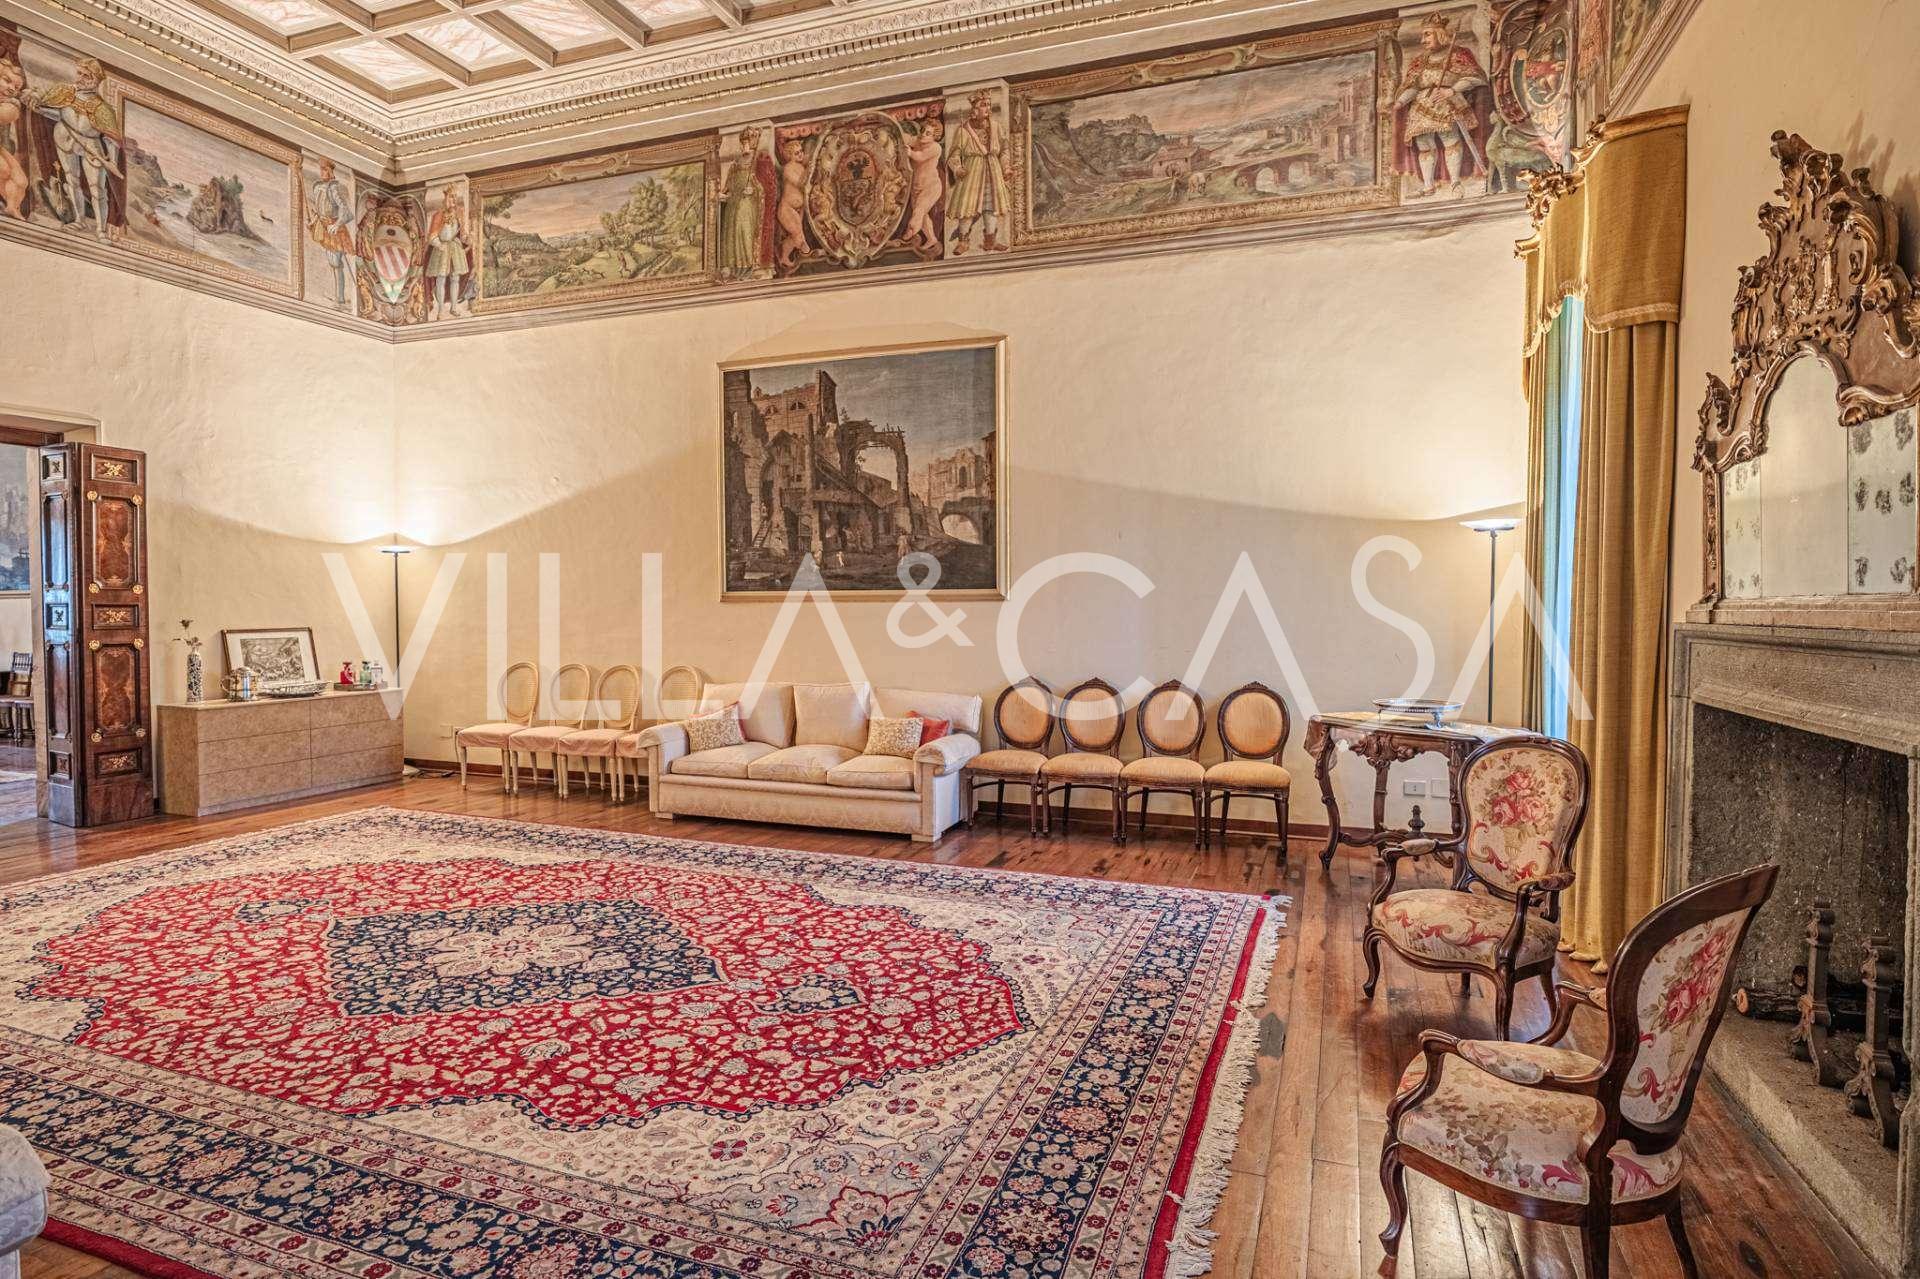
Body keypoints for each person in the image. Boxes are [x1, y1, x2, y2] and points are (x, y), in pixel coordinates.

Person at [1392, 13, 1491, 196]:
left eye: (1427, 34)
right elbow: (1413, 86)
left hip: (1446, 102)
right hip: (1421, 107)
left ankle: (1454, 183)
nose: (1423, 40)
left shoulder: (1458, 54)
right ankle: (1428, 186)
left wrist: (1451, 90)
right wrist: (1401, 101)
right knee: (1424, 144)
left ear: (1440, 34)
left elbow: (1475, 77)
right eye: (1423, 35)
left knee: (1450, 140)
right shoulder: (1420, 61)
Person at [33, 57, 118, 240]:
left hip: (91, 145)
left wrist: (112, 160)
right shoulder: (65, 92)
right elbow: (58, 114)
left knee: (97, 189)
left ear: (94, 79)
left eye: (85, 75)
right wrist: (39, 108)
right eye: (79, 73)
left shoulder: (103, 108)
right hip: (64, 138)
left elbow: (111, 138)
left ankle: (101, 230)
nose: (79, 78)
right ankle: (79, 220)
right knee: (71, 179)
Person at [946, 91, 1008, 255]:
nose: (987, 108)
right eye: (983, 105)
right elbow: (954, 155)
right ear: (974, 110)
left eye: (988, 105)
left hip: (992, 170)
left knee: (991, 206)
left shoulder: (996, 127)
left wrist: (1006, 168)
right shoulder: (963, 130)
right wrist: (957, 168)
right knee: (967, 206)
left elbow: (1004, 150)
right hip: (972, 171)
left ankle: (990, 241)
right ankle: (963, 242)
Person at [718, 127, 774, 276]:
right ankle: (732, 265)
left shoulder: (758, 161)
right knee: (731, 230)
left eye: (747, 143)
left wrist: (754, 190)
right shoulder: (735, 164)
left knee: (741, 227)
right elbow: (728, 185)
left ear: (753, 143)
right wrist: (723, 194)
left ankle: (748, 262)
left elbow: (767, 185)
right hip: (733, 201)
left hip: (749, 202)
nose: (744, 146)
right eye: (742, 143)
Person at [307, 157, 355, 309]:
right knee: (332, 261)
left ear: (330, 172)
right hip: (323, 226)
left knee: (335, 262)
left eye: (325, 170)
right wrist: (313, 221)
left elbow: (346, 211)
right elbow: (319, 210)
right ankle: (338, 296)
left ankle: (340, 298)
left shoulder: (333, 188)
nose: (322, 173)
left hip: (334, 228)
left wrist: (337, 224)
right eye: (321, 170)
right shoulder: (318, 187)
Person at [424, 183, 470, 320]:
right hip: (441, 248)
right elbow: (432, 236)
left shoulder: (459, 214)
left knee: (455, 278)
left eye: (455, 197)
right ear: (445, 198)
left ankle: (454, 307)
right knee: (441, 279)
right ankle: (440, 310)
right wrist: (439, 245)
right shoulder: (438, 215)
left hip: (455, 248)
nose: (453, 200)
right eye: (451, 197)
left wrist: (468, 238)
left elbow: (462, 234)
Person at [901, 115, 944, 255]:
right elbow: (908, 139)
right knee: (923, 215)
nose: (924, 135)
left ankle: (911, 231)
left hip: (931, 187)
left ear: (934, 137)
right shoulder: (919, 141)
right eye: (923, 130)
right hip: (916, 187)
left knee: (919, 211)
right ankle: (931, 238)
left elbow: (920, 157)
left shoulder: (936, 148)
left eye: (928, 133)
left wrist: (910, 152)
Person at [0, 48, 30, 220]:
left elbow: (5, 115)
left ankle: (11, 207)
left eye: (16, 87)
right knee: (4, 170)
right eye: (7, 80)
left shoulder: (11, 106)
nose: (11, 88)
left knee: (21, 181)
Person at [775, 136, 809, 272]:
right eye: (796, 153)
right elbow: (801, 184)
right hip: (787, 209)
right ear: (789, 156)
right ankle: (783, 256)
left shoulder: (800, 167)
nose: (800, 154)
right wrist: (810, 170)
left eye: (801, 151)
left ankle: (783, 256)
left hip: (797, 209)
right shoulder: (788, 169)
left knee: (797, 237)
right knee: (799, 238)